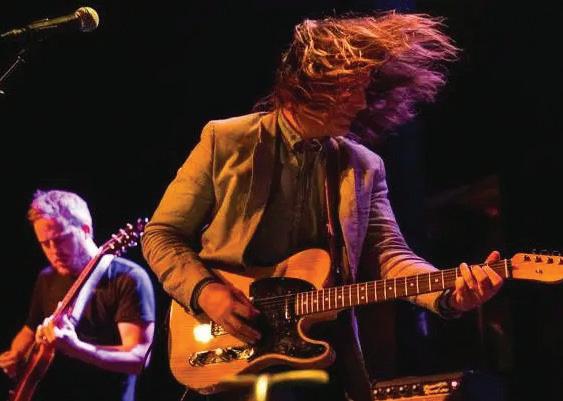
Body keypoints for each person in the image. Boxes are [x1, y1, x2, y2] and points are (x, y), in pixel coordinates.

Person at [141, 11, 504, 401]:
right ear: (312, 83)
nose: (361, 102)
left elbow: (389, 255)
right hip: (227, 351)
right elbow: (161, 234)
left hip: (317, 364)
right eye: (350, 89)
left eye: (364, 89)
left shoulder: (363, 166)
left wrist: (448, 293)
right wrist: (206, 291)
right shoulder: (226, 140)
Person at [0, 190, 155, 401]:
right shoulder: (47, 277)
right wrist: (15, 355)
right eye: (45, 243)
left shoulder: (128, 278)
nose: (53, 251)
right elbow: (29, 330)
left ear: (85, 230)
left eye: (61, 239)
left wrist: (78, 349)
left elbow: (139, 358)